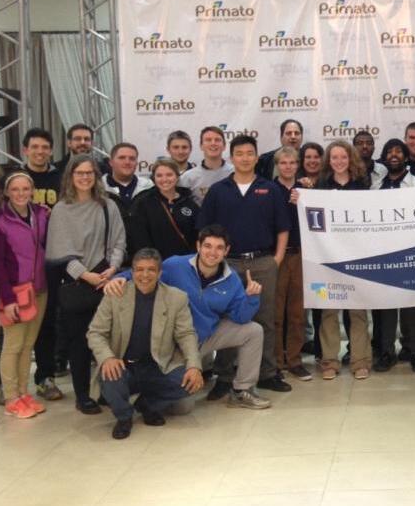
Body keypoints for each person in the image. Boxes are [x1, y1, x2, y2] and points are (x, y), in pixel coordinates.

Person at [104, 225, 272, 410]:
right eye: (207, 246)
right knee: (181, 409)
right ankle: (146, 391)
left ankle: (242, 391)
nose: (212, 252)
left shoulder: (231, 279)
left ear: (226, 251)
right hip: (176, 343)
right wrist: (120, 278)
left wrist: (251, 298)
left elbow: (240, 318)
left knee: (254, 330)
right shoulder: (175, 265)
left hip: (205, 337)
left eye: (219, 248)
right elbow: (147, 273)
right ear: (198, 246)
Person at [198, 134, 291, 394]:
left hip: (263, 262)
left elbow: (283, 227)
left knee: (265, 318)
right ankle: (225, 377)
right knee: (228, 320)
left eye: (250, 153)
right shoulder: (218, 190)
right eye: (239, 154)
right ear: (232, 157)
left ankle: (267, 372)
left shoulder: (269, 188)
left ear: (256, 156)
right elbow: (205, 230)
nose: (245, 158)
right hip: (227, 266)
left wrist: (278, 259)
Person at [87, 248, 204, 439]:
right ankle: (124, 417)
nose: (145, 275)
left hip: (157, 365)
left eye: (151, 270)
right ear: (132, 272)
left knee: (189, 382)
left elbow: (186, 334)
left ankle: (147, 405)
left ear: (159, 273)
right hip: (124, 365)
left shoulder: (176, 297)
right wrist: (107, 357)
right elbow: (96, 332)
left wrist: (194, 366)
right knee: (109, 377)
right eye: (139, 269)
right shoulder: (115, 294)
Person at [45, 154, 126, 414]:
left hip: (107, 279)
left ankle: (107, 389)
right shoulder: (61, 209)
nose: (84, 177)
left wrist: (112, 268)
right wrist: (85, 275)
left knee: (109, 339)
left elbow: (118, 242)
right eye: (79, 173)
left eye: (89, 173)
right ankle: (83, 395)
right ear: (70, 176)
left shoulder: (107, 205)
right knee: (79, 342)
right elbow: (60, 252)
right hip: (77, 281)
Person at [309, 140, 372, 379]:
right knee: (328, 312)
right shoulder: (320, 187)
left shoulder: (362, 186)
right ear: (328, 161)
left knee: (357, 312)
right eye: (334, 158)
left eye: (343, 157)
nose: (339, 161)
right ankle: (330, 362)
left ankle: (360, 362)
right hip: (326, 259)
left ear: (351, 159)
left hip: (357, 258)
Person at [13, 127, 65, 402]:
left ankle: (45, 377)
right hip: (18, 266)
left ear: (51, 150)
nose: (40, 151)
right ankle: (6, 383)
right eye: (35, 147)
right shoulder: (14, 179)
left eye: (45, 147)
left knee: (46, 323)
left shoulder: (60, 179)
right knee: (13, 324)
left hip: (50, 263)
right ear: (25, 150)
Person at [0, 171, 50, 419]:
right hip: (15, 291)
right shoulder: (0, 220)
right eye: (15, 189)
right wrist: (7, 299)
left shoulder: (41, 214)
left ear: (32, 190)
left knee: (28, 346)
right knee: (13, 346)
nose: (20, 194)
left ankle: (24, 393)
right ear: (6, 192)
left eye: (25, 189)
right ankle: (11, 396)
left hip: (39, 289)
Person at [370, 139, 415, 372]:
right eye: (389, 151)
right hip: (383, 256)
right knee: (385, 308)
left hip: (410, 254)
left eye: (398, 151)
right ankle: (386, 353)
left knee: (413, 307)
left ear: (406, 157)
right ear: (383, 157)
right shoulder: (374, 186)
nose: (394, 155)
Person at [273, 147, 310, 380]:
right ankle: (276, 362)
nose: (288, 166)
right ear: (277, 165)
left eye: (292, 162)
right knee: (275, 313)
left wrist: (305, 199)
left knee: (297, 313)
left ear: (298, 165)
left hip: (300, 256)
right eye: (283, 162)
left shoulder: (306, 188)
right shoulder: (266, 189)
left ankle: (295, 360)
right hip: (276, 256)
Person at [127, 159, 198, 259]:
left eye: (169, 175)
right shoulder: (143, 203)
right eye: (159, 175)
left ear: (177, 177)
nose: (164, 179)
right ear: (154, 178)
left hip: (185, 262)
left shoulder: (189, 203)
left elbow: (196, 236)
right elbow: (139, 238)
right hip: (155, 264)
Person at [180, 126, 234, 205]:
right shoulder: (188, 177)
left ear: (224, 146)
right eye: (208, 140)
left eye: (217, 140)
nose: (213, 143)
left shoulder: (236, 172)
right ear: (201, 146)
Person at [104, 142, 155, 225]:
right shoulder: (99, 188)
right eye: (122, 158)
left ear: (136, 163)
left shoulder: (149, 187)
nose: (127, 162)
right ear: (111, 162)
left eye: (132, 158)